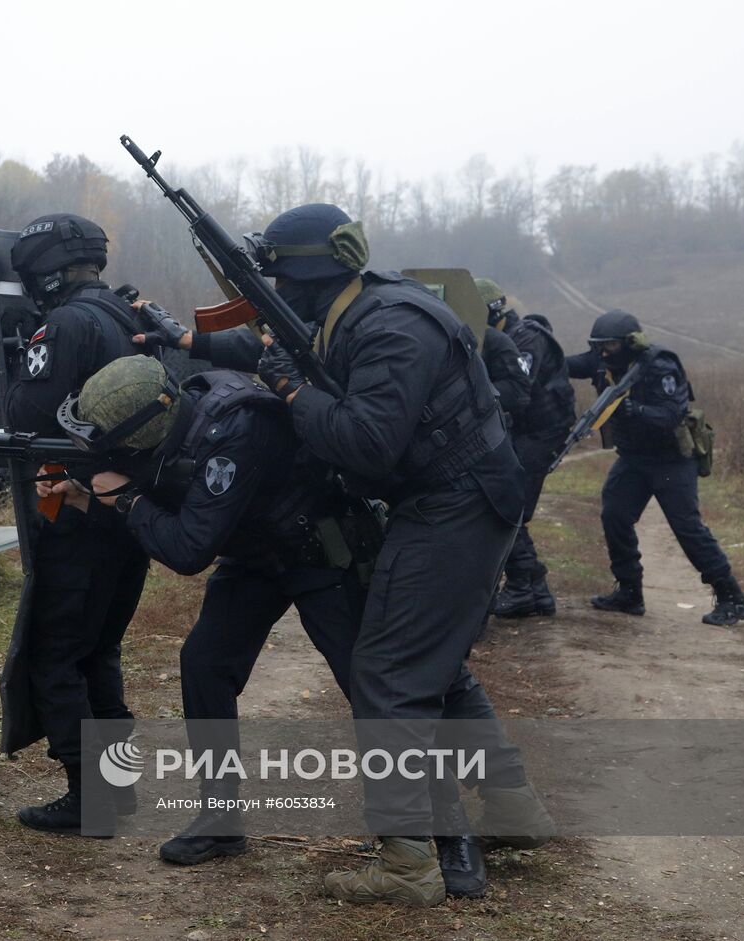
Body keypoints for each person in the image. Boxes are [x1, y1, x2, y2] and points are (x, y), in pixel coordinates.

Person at [170, 203, 555, 905]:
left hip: (458, 505)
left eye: (281, 280)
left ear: (312, 274)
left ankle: (408, 864)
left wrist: (289, 387)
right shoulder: (355, 311)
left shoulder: (389, 326)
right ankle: (513, 809)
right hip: (447, 499)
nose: (275, 294)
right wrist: (189, 340)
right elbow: (285, 354)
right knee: (430, 666)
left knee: (389, 671)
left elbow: (365, 441)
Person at [52, 355, 491, 897]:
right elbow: (177, 503)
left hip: (321, 554)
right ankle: (221, 818)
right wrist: (96, 496)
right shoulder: (178, 424)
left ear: (143, 430)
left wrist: (128, 499)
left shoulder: (236, 429)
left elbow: (188, 549)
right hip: (256, 557)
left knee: (380, 693)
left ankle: (451, 835)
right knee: (204, 664)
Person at [1, 213, 153, 836]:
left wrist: (15, 356)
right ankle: (115, 790)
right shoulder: (128, 316)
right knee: (99, 651)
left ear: (47, 273)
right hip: (129, 512)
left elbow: (28, 415)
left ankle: (87, 797)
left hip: (76, 510)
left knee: (55, 654)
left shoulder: (66, 324)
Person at [566, 310, 744, 625]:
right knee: (615, 515)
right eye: (598, 346)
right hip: (634, 459)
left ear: (628, 343)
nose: (603, 353)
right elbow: (570, 364)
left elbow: (670, 415)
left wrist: (630, 408)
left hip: (671, 460)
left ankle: (732, 596)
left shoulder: (659, 365)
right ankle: (629, 592)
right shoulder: (603, 361)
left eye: (609, 345)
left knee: (687, 528)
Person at [477, 279, 576, 618]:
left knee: (508, 507)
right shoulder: (513, 337)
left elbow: (520, 390)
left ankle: (522, 587)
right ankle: (536, 591)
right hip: (530, 434)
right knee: (511, 507)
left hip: (540, 435)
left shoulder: (525, 339)